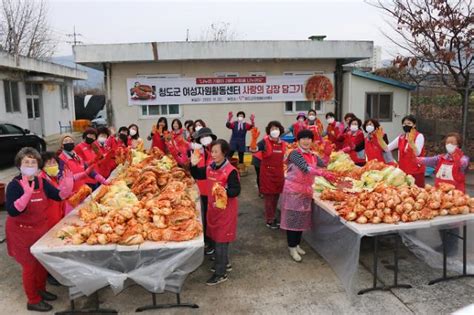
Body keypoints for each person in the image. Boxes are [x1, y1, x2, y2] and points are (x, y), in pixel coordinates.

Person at [5, 147, 73, 312]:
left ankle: (40, 290)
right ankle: (33, 300)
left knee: (41, 262)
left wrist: (66, 187)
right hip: (21, 232)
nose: (30, 165)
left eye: (33, 162)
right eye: (26, 162)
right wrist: (25, 196)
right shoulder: (14, 185)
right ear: (19, 164)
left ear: (37, 165)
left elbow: (57, 195)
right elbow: (12, 211)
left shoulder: (41, 181)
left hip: (40, 229)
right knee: (29, 266)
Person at [280, 130, 335, 262]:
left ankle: (297, 244)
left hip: (305, 191)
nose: (306, 141)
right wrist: (322, 174)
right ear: (298, 141)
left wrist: (327, 155)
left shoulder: (313, 155)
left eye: (309, 139)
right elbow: (305, 168)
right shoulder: (294, 154)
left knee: (301, 219)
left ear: (312, 141)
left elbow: (324, 164)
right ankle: (291, 247)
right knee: (293, 220)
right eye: (303, 138)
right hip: (293, 191)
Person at [419, 132, 470, 256]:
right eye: (447, 142)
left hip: (455, 197)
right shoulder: (440, 158)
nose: (449, 144)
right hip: (440, 195)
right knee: (441, 222)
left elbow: (463, 165)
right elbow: (426, 160)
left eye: (453, 142)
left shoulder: (464, 159)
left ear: (459, 145)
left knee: (452, 223)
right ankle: (444, 245)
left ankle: (452, 249)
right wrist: (414, 159)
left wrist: (456, 157)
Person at [205, 139, 241, 285]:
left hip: (226, 212)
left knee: (221, 242)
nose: (213, 155)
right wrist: (193, 164)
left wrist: (223, 190)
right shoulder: (210, 167)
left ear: (224, 153)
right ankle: (224, 263)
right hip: (213, 210)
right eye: (211, 151)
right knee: (216, 240)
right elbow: (199, 175)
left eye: (216, 152)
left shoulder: (231, 170)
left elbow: (236, 190)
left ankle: (221, 274)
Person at [58, 134, 106, 213]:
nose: (69, 142)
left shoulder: (77, 157)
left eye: (70, 141)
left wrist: (102, 180)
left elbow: (88, 170)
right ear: (62, 145)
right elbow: (60, 179)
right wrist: (71, 180)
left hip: (82, 192)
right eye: (66, 141)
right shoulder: (61, 159)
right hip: (71, 196)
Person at [189, 127, 217, 255]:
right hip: (202, 190)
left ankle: (214, 243)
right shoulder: (198, 152)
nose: (205, 139)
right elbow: (197, 174)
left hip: (214, 191)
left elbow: (214, 169)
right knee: (205, 217)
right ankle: (208, 241)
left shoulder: (217, 151)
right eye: (202, 137)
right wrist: (192, 165)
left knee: (214, 218)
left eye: (207, 136)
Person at [255, 121, 286, 229]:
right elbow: (253, 149)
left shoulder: (283, 143)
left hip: (279, 173)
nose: (274, 131)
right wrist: (253, 141)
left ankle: (273, 216)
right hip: (267, 174)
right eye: (272, 129)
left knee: (276, 196)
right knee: (269, 199)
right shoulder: (264, 142)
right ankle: (269, 219)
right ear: (269, 131)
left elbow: (285, 157)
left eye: (276, 128)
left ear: (280, 130)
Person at [385, 115, 426, 187]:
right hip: (403, 171)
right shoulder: (401, 137)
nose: (406, 125)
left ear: (414, 125)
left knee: (417, 193)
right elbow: (387, 148)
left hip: (416, 171)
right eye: (404, 124)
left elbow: (417, 153)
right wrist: (379, 140)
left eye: (409, 123)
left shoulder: (419, 136)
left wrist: (411, 143)